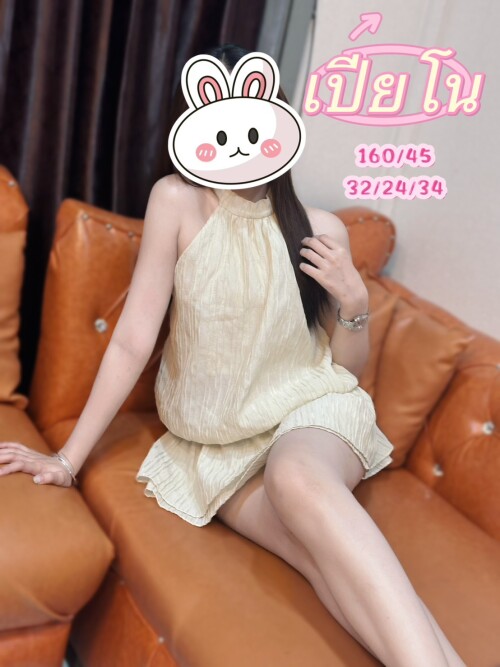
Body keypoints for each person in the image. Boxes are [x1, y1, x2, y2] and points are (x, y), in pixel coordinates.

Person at [0, 44, 466, 667]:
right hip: (217, 449)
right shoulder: (176, 201)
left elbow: (346, 373)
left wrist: (355, 301)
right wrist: (67, 459)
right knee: (321, 561)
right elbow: (135, 338)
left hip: (310, 417)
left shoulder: (320, 230)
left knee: (296, 478)